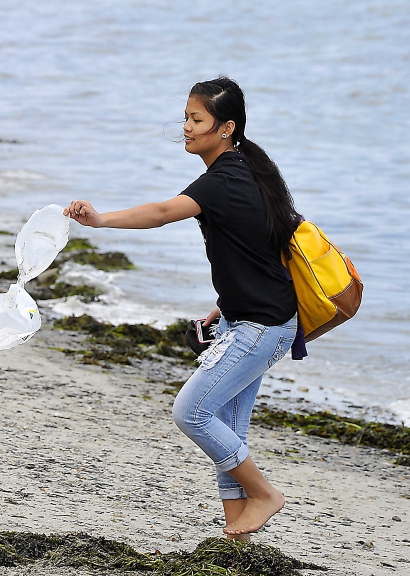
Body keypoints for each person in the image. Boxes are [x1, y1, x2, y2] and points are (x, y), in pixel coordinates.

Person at [64, 77, 300, 539]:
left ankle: (266, 495)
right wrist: (224, 304)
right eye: (186, 118)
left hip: (262, 326)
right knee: (227, 430)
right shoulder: (248, 167)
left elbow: (160, 212)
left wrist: (101, 219)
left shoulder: (223, 179)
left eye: (197, 120)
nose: (187, 128)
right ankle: (238, 536)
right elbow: (257, 249)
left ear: (226, 127)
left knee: (191, 412)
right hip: (250, 318)